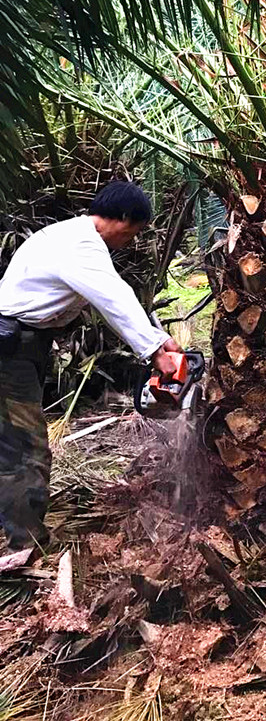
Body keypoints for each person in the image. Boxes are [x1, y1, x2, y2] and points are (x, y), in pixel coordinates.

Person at [0, 181, 181, 553]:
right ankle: (24, 542)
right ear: (125, 218)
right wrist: (154, 353)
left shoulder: (74, 237)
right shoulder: (78, 245)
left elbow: (115, 291)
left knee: (13, 438)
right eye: (135, 231)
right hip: (11, 348)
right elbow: (111, 298)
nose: (131, 239)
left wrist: (159, 338)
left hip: (24, 343)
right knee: (25, 446)